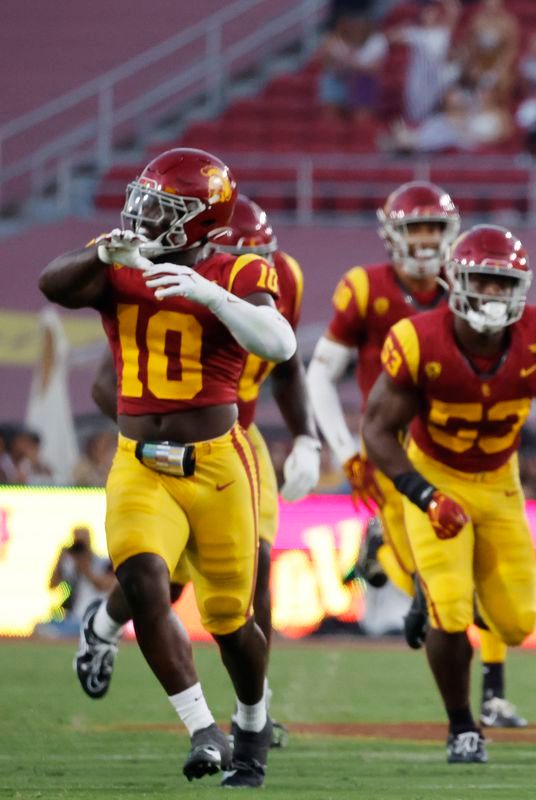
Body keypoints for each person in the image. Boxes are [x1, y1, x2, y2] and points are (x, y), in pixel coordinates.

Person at [38, 148, 297, 786]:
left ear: (202, 221)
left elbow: (281, 343)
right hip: (139, 463)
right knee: (147, 581)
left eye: (164, 208)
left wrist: (208, 292)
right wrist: (100, 254)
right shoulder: (121, 260)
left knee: (233, 622)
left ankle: (252, 721)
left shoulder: (238, 269)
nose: (143, 215)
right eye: (145, 200)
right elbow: (52, 282)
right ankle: (201, 728)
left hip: (216, 465)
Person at [77, 195, 320, 751]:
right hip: (157, 444)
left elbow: (287, 363)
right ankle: (106, 627)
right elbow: (104, 381)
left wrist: (306, 435)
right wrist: (156, 431)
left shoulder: (276, 278)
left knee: (249, 572)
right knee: (164, 574)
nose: (259, 268)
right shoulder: (157, 278)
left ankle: (254, 712)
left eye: (264, 256)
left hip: (238, 440)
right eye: (245, 254)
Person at [306, 183, 528, 728]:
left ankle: (494, 692)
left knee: (489, 571)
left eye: (435, 228)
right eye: (416, 229)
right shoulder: (364, 288)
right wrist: (345, 450)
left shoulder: (477, 279)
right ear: (392, 234)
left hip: (478, 445)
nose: (427, 241)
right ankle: (386, 558)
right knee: (429, 577)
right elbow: (319, 372)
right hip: (400, 447)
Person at [362, 224, 536, 763]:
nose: (493, 295)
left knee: (517, 623)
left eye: (504, 285)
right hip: (436, 473)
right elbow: (376, 432)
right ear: (455, 282)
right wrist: (426, 495)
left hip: (500, 482)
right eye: (483, 281)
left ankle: (434, 592)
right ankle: (462, 726)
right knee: (452, 612)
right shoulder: (418, 338)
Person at [49, 526, 116, 629]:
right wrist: (60, 560)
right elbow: (52, 585)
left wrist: (85, 568)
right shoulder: (70, 565)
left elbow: (104, 586)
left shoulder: (103, 563)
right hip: (74, 617)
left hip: (96, 617)